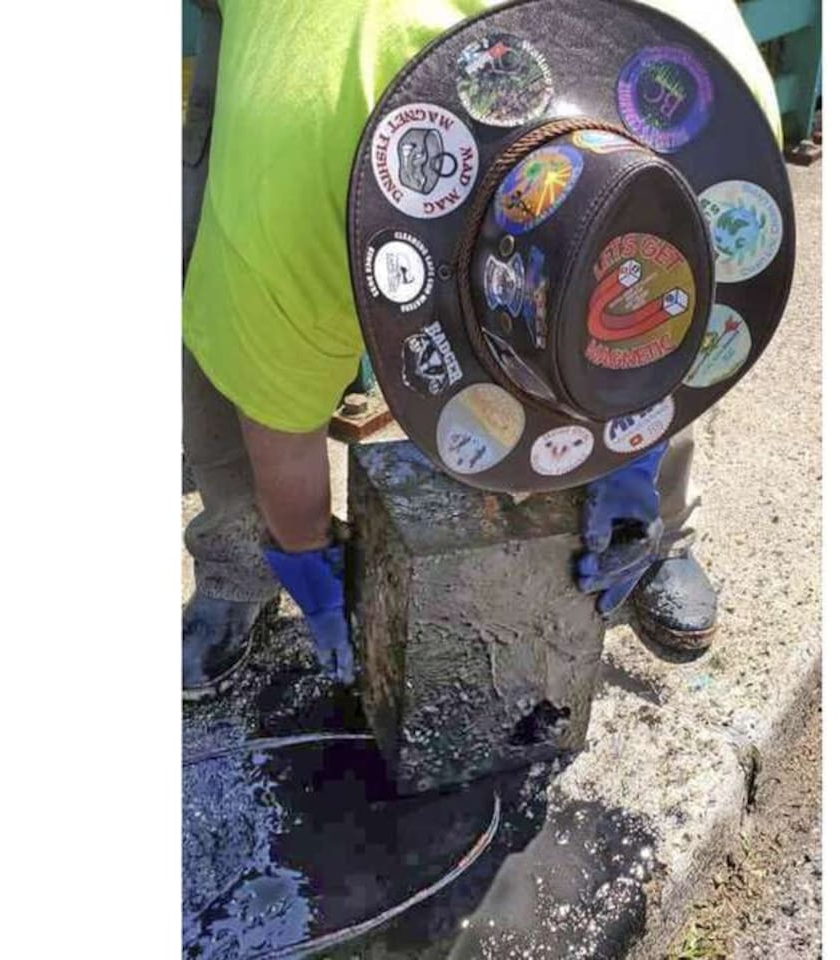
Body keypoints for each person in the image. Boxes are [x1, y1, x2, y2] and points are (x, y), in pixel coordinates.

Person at [181, 0, 785, 699]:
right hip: (313, 56)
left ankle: (660, 528)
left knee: (642, 303)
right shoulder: (291, 185)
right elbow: (276, 424)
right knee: (225, 321)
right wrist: (308, 563)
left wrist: (632, 462)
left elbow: (678, 341)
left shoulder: (717, 108)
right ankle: (238, 566)